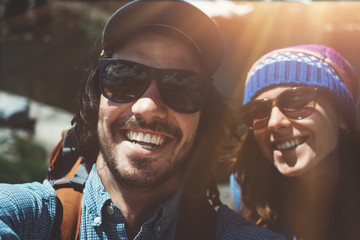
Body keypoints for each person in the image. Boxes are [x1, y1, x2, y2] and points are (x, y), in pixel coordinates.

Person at [0, 1, 285, 239]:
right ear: (95, 96)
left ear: (204, 116)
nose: (148, 107)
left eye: (182, 87)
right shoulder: (30, 217)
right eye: (123, 77)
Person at [230, 44, 360, 240]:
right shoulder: (246, 193)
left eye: (296, 100)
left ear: (342, 115)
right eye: (258, 111)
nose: (275, 122)